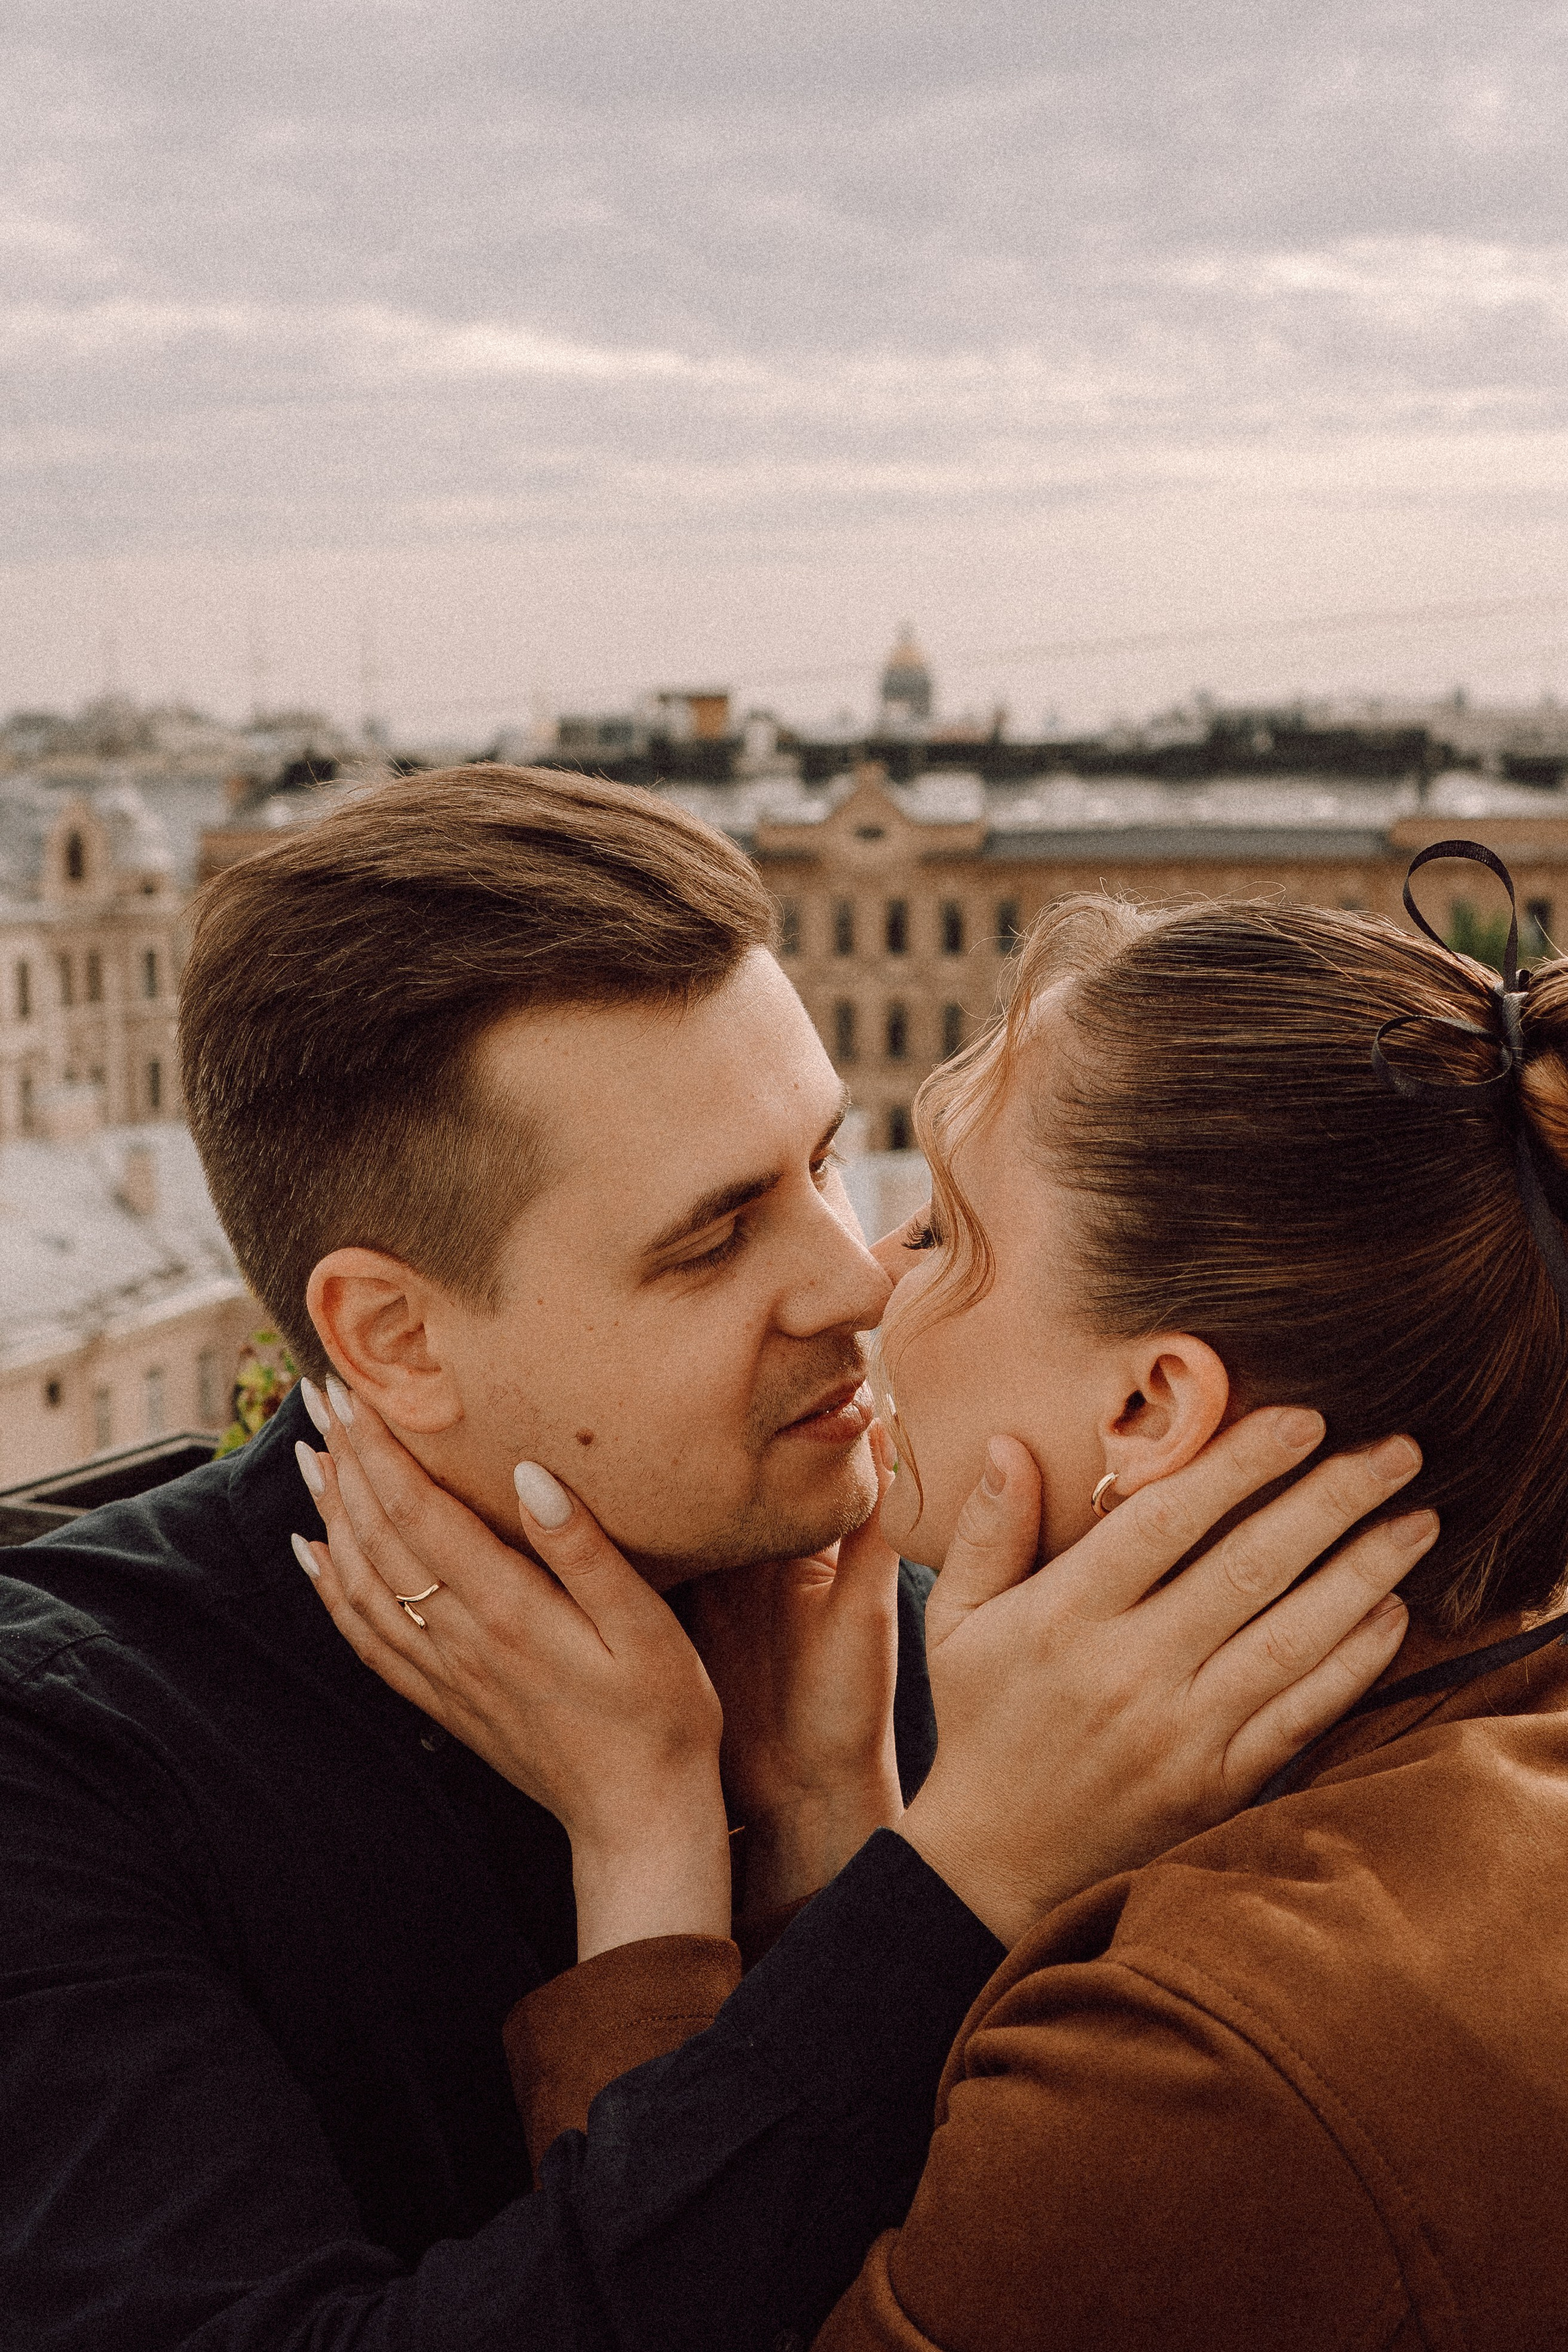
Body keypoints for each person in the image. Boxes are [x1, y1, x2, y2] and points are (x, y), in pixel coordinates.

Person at [0, 765, 1417, 2352]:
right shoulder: (63, 1761)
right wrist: (949, 1885)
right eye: (713, 1236)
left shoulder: (921, 1620)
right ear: (392, 1339)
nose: (855, 1277)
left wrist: (827, 1838)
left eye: (824, 1160)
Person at [314, 838, 1568, 2350]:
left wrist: (648, 1843)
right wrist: (829, 1835)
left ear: (1149, 1411)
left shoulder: (1209, 2060)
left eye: (948, 1229)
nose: (866, 1278)